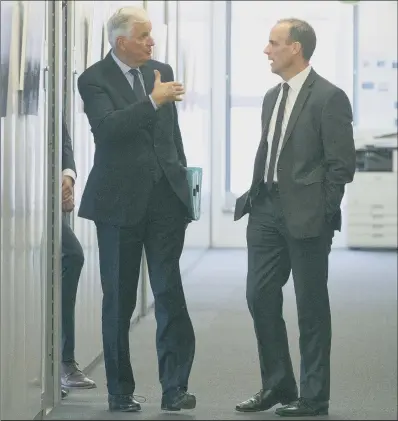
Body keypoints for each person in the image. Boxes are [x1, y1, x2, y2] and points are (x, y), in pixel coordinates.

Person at [234, 18, 356, 417]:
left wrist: (323, 210)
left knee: (311, 306)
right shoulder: (272, 96)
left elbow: (341, 166)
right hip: (266, 209)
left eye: (273, 43)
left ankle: (314, 396)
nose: (266, 50)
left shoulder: (329, 97)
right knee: (259, 296)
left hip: (308, 216)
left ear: (296, 48)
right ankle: (278, 384)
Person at [76, 6, 196, 413]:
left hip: (165, 202)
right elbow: (107, 130)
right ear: (120, 41)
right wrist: (151, 101)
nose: (151, 42)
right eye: (143, 36)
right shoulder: (93, 79)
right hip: (118, 205)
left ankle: (175, 388)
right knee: (119, 300)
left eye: (151, 36)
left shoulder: (158, 69)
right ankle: (120, 391)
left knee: (169, 294)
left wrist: (181, 179)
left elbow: (171, 135)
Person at [61, 117, 97, 397]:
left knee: (71, 256)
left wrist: (67, 175)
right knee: (71, 254)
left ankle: (62, 363)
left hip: (40, 196)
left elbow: (62, 137)